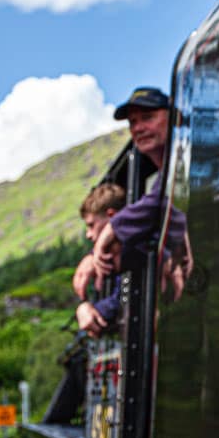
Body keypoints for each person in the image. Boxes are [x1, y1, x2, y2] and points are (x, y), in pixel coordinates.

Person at [74, 87, 189, 303]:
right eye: (132, 122)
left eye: (147, 118)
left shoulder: (187, 164)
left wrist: (110, 231)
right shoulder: (167, 176)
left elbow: (164, 200)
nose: (138, 128)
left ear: (176, 119)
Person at [73, 183, 126, 337]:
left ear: (112, 217)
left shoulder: (136, 250)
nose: (88, 235)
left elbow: (122, 300)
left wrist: (90, 309)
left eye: (91, 225)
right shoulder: (110, 256)